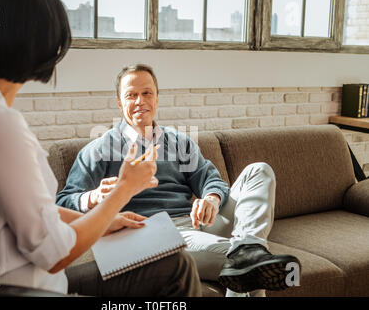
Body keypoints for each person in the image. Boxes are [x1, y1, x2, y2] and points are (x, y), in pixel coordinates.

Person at [0, 0, 201, 297]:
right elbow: (54, 254)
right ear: (37, 47)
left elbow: (27, 210)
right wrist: (123, 190)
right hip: (23, 288)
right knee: (175, 266)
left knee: (174, 262)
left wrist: (104, 220)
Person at [56, 64, 301, 297]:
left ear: (157, 98)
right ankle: (249, 255)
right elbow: (64, 202)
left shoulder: (178, 142)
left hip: (197, 224)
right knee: (251, 266)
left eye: (146, 93)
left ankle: (249, 245)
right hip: (152, 232)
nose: (140, 101)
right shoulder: (99, 149)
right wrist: (93, 197)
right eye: (131, 95)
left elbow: (211, 180)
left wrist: (211, 199)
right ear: (120, 103)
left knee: (258, 171)